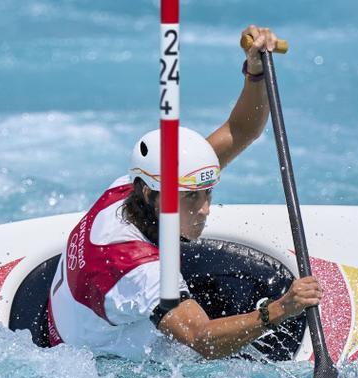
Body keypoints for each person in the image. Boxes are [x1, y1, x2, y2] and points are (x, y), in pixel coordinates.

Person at [47, 25, 324, 360]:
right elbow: (203, 341)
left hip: (81, 312)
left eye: (207, 193)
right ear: (151, 195)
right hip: (90, 365)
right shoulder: (143, 273)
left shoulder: (130, 186)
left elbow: (241, 130)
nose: (206, 208)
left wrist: (256, 72)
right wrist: (281, 309)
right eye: (192, 197)